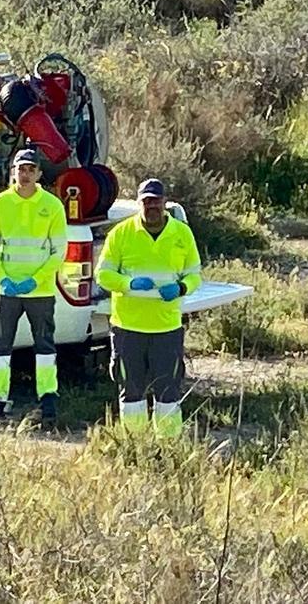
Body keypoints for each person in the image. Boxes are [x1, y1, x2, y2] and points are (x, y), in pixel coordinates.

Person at [95, 178, 202, 437]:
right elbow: (103, 275)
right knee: (131, 392)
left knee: (168, 392)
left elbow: (194, 274)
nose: (151, 205)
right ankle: (136, 446)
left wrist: (181, 288)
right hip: (128, 328)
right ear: (138, 203)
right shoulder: (121, 233)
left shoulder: (181, 234)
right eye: (146, 201)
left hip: (167, 327)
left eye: (156, 200)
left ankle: (168, 447)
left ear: (164, 202)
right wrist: (128, 283)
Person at [0, 149, 68, 426]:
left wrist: (36, 280)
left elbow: (58, 251)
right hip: (7, 291)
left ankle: (48, 401)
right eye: (21, 169)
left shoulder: (52, 206)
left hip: (39, 292)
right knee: (1, 347)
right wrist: (1, 277)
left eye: (31, 169)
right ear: (13, 172)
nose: (25, 174)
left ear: (39, 174)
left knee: (44, 347)